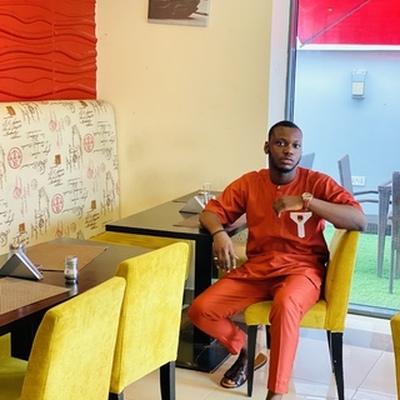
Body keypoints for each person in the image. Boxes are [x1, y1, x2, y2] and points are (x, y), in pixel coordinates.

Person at [187, 120, 367, 400]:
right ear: (267, 147)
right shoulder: (251, 182)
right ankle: (248, 350)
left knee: (285, 305)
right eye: (281, 143)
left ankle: (276, 393)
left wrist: (307, 201)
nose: (288, 150)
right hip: (258, 269)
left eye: (296, 145)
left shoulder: (316, 182)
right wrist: (219, 233)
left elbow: (359, 220)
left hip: (302, 271)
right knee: (200, 309)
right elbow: (210, 212)